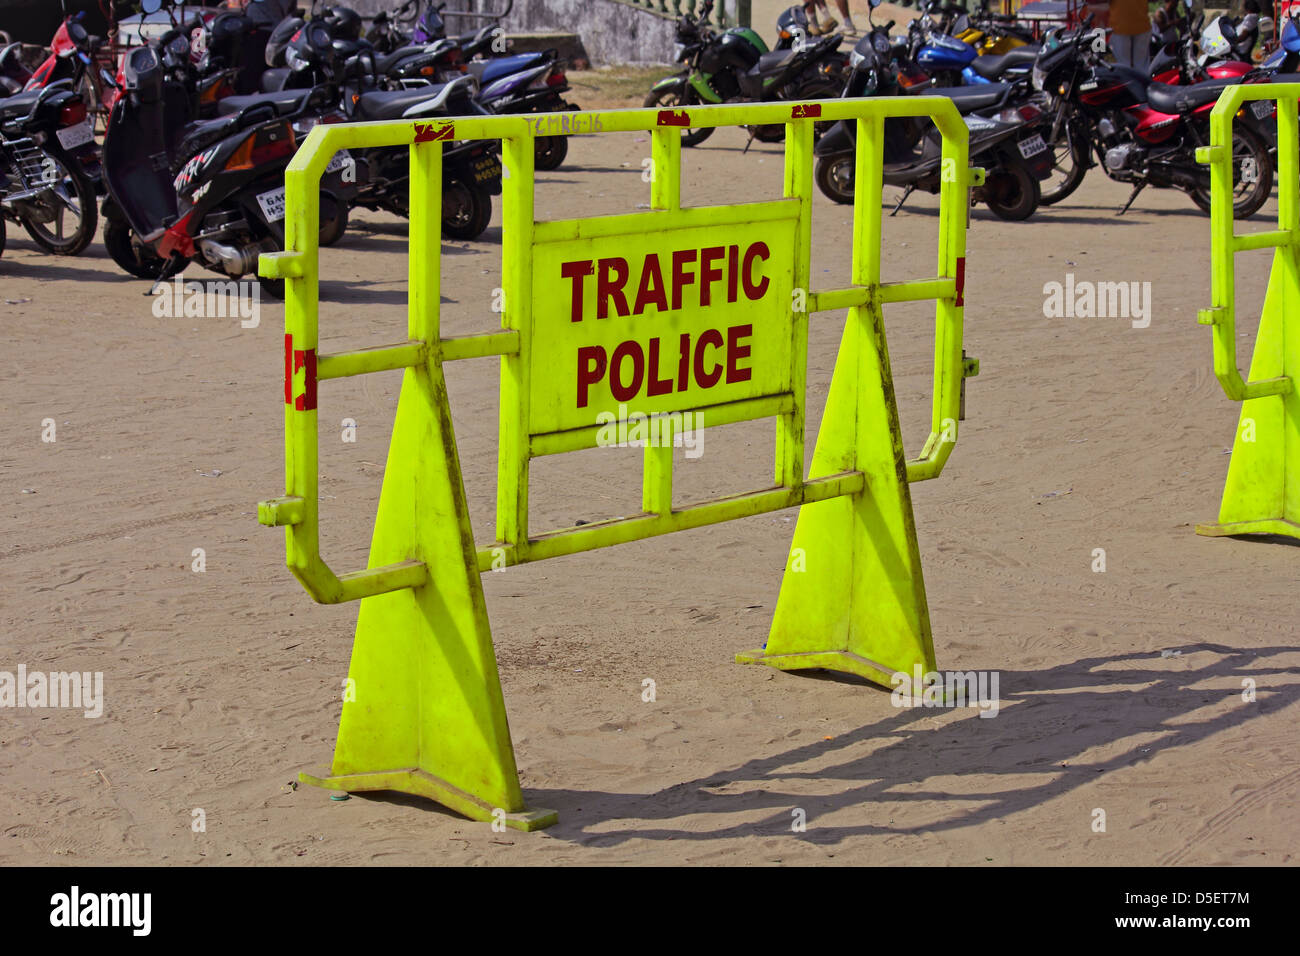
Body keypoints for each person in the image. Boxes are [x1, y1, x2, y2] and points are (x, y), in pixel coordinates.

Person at [1109, 0, 1153, 72]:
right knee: (1142, 67)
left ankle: (1128, 82)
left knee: (1123, 66)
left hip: (1119, 26)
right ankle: (1143, 82)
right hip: (1142, 24)